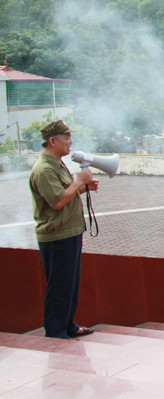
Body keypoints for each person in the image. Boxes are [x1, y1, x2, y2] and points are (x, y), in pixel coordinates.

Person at [29, 120, 99, 339]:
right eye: (66, 138)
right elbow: (58, 201)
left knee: (70, 283)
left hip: (69, 232)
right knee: (59, 285)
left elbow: (65, 193)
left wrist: (82, 187)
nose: (70, 143)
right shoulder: (44, 170)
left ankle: (68, 324)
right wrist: (79, 182)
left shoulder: (57, 164)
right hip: (56, 236)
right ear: (53, 140)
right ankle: (56, 331)